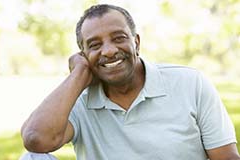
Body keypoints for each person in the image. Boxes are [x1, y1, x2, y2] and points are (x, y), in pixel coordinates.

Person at [20, 4, 240, 160]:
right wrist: (78, 75)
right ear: (83, 54)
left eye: (118, 38)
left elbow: (226, 157)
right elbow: (35, 139)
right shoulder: (77, 101)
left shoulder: (191, 83)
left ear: (136, 42)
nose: (108, 51)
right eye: (95, 45)